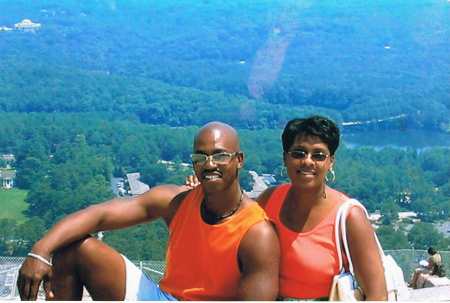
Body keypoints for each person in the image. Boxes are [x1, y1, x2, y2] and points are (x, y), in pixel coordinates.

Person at [17, 121, 280, 301]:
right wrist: (40, 251)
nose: (209, 164)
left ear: (239, 160)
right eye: (200, 157)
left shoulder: (256, 233)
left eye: (220, 156)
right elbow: (100, 215)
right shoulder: (178, 201)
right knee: (74, 248)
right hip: (163, 297)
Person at [186, 115, 388, 300]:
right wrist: (204, 194)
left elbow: (377, 296)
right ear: (285, 158)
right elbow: (228, 229)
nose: (308, 161)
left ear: (331, 162)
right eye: (299, 153)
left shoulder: (349, 217)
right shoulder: (270, 199)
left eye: (318, 155)